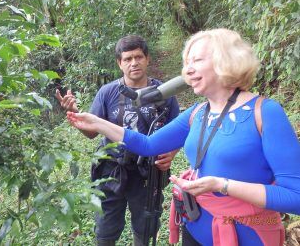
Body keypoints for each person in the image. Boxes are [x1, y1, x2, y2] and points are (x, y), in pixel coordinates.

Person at [66, 28, 300, 246]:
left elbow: (295, 197)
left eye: (197, 60)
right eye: (186, 63)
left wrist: (222, 185)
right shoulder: (198, 112)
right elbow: (148, 144)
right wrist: (96, 122)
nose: (187, 70)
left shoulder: (265, 113)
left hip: (248, 234)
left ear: (226, 61)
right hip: (195, 228)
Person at [55, 35, 180, 246]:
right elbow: (92, 132)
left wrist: (172, 153)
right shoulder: (107, 92)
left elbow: (179, 128)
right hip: (111, 170)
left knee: (146, 227)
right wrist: (76, 115)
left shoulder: (164, 92)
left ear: (147, 59)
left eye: (138, 57)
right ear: (119, 63)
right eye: (128, 58)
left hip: (147, 173)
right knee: (105, 229)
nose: (134, 63)